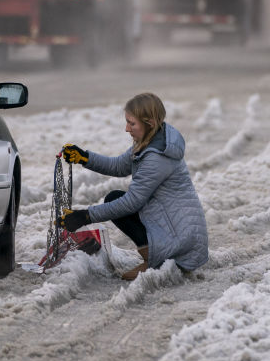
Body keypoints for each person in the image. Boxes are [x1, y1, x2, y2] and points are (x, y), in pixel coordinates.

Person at [58, 92, 209, 280]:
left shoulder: (157, 157)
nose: (126, 129)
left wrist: (86, 216)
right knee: (114, 197)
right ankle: (155, 257)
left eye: (132, 123)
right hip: (172, 224)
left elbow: (132, 203)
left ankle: (158, 262)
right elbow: (119, 166)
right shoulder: (150, 140)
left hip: (181, 237)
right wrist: (85, 158)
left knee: (118, 202)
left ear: (150, 123)